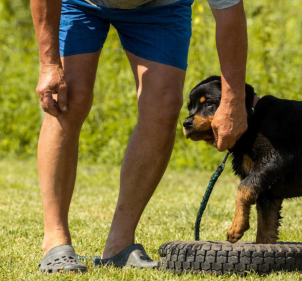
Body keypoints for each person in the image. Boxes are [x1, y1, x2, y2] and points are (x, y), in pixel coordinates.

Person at [31, 0, 248, 273]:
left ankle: (119, 245)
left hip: (161, 6)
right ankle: (55, 241)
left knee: (165, 106)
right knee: (68, 99)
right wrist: (49, 63)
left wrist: (232, 99)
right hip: (80, 3)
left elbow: (229, 13)